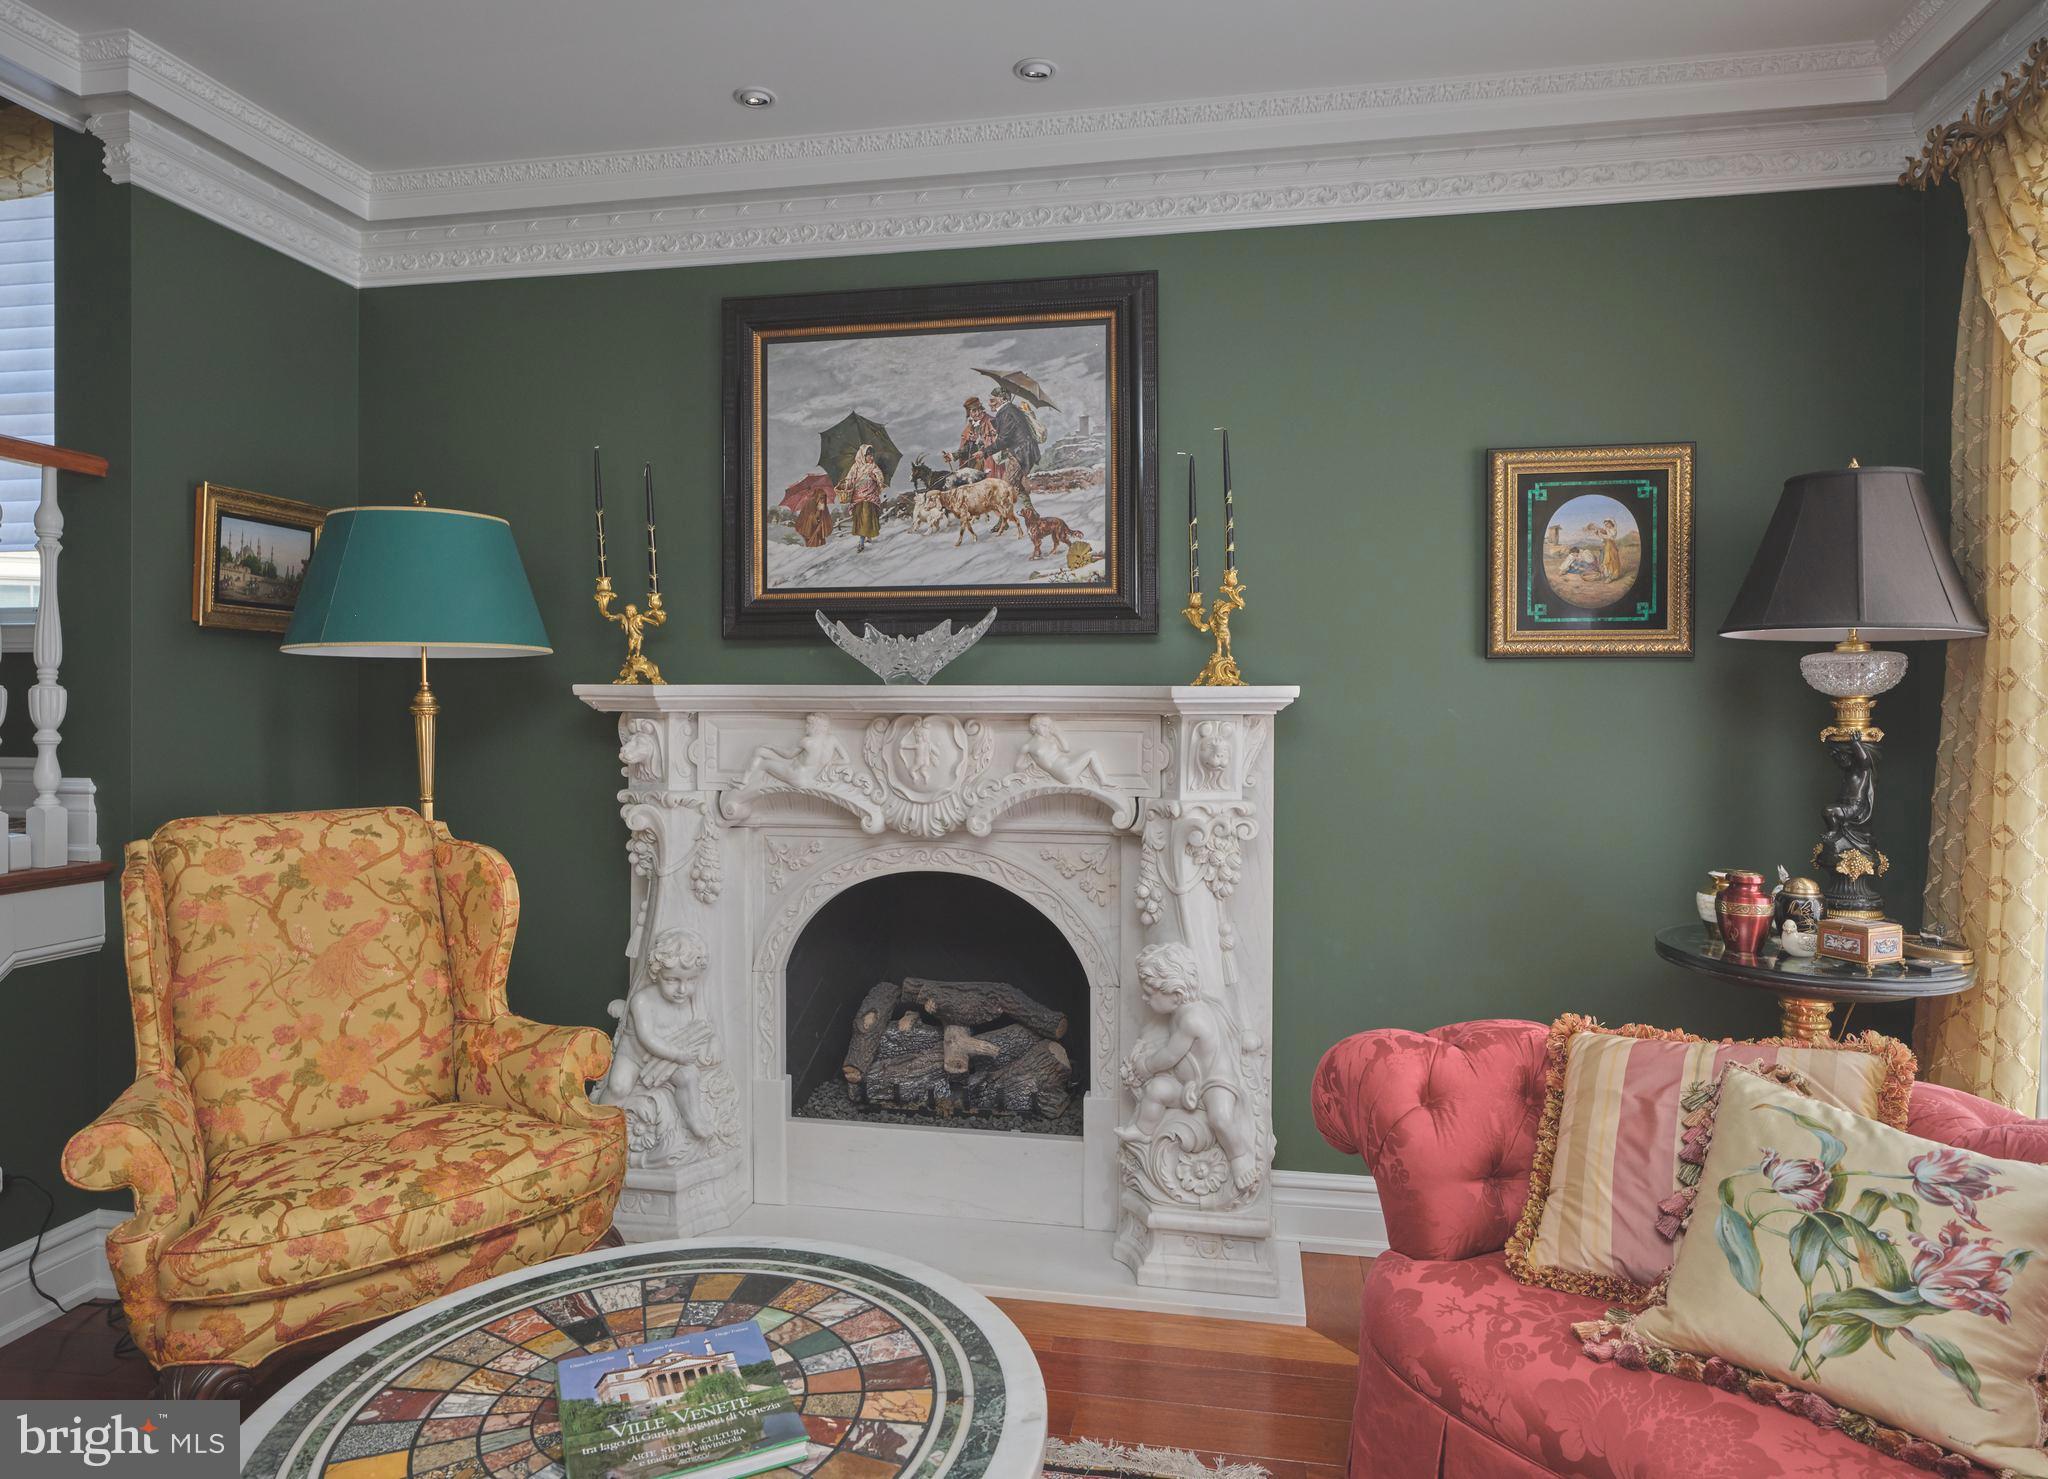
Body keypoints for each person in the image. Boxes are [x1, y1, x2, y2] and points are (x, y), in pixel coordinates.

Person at [988, 383, 1044, 513]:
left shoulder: (1007, 412)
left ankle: (1003, 518)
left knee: (1005, 486)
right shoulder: (1008, 411)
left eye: (992, 400)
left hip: (1021, 453)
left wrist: (985, 451)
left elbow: (1004, 440)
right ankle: (1031, 512)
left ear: (1002, 399)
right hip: (1022, 452)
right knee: (1016, 484)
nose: (989, 404)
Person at [839, 443, 886, 550]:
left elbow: (880, 478)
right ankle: (866, 537)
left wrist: (874, 477)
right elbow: (849, 479)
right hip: (858, 497)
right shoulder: (856, 466)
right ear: (863, 456)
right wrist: (846, 485)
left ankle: (862, 542)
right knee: (862, 519)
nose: (871, 458)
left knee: (867, 517)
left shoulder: (873, 466)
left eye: (872, 455)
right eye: (869, 455)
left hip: (870, 497)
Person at [956, 396, 998, 475]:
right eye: (974, 411)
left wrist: (981, 447)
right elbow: (966, 448)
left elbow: (998, 443)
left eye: (979, 409)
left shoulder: (992, 422)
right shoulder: (969, 428)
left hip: (989, 463)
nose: (978, 413)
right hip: (973, 465)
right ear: (969, 413)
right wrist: (954, 455)